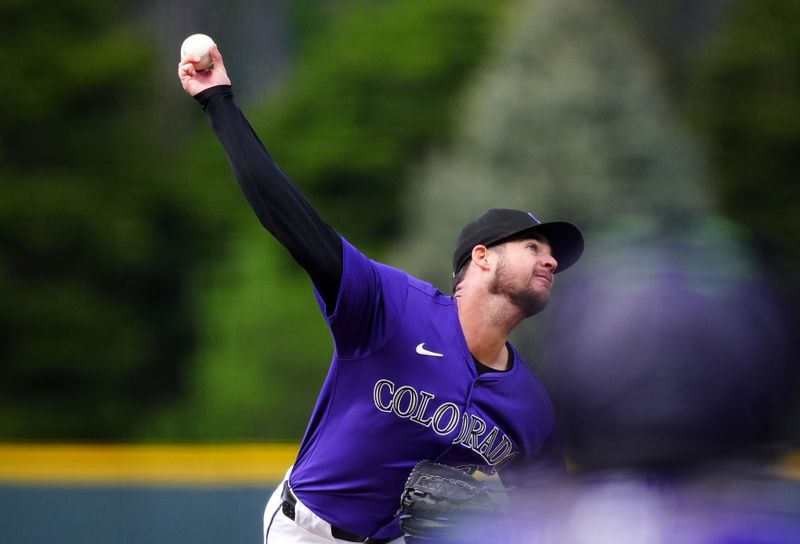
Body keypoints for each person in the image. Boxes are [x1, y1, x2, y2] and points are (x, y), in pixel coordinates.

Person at [178, 44, 584, 544]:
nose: (550, 261)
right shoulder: (391, 307)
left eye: (554, 257)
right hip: (307, 533)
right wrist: (218, 101)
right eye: (533, 246)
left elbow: (553, 521)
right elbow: (294, 221)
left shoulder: (528, 405)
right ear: (482, 257)